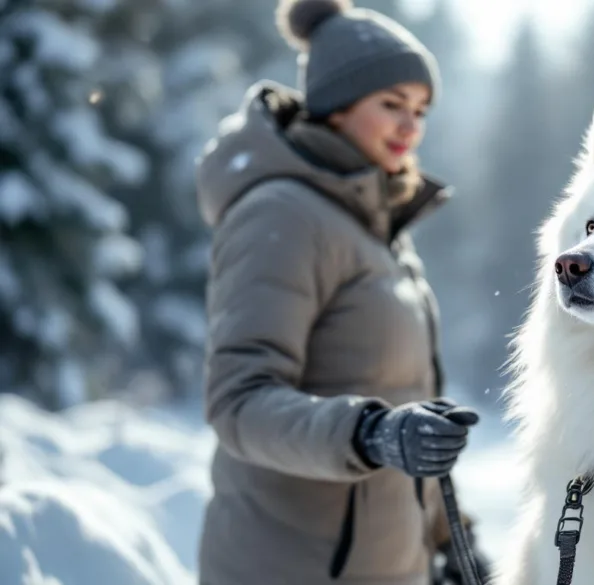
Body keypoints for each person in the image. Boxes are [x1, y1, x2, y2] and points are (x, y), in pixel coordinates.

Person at [192, 0, 490, 583]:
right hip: (287, 565)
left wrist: (449, 539)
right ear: (335, 108)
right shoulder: (281, 215)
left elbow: (405, 399)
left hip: (387, 564)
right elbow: (239, 402)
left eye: (421, 109)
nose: (411, 126)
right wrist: (368, 431)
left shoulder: (378, 228)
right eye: (391, 104)